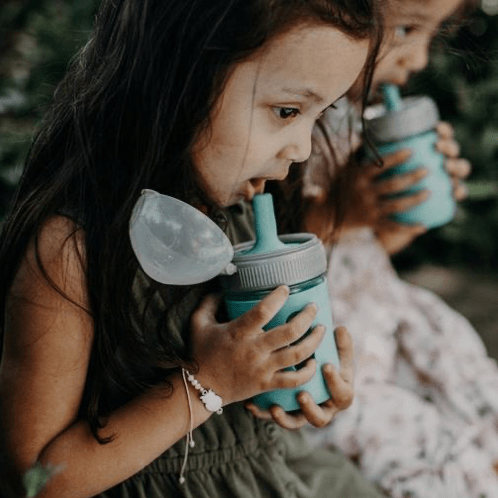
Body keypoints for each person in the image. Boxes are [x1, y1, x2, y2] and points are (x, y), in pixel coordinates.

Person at [0, 1, 389, 497]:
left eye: (319, 115)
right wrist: (208, 383)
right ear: (178, 77)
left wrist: (285, 379)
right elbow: (32, 478)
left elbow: (240, 405)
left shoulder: (241, 219)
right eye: (287, 110)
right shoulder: (72, 252)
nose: (304, 148)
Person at [300, 0, 498, 497]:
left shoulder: (362, 125)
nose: (421, 58)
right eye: (407, 29)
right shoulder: (291, 131)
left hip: (385, 313)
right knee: (425, 446)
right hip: (337, 346)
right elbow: (275, 254)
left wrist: (399, 212)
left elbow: (373, 246)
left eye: (433, 35)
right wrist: (338, 209)